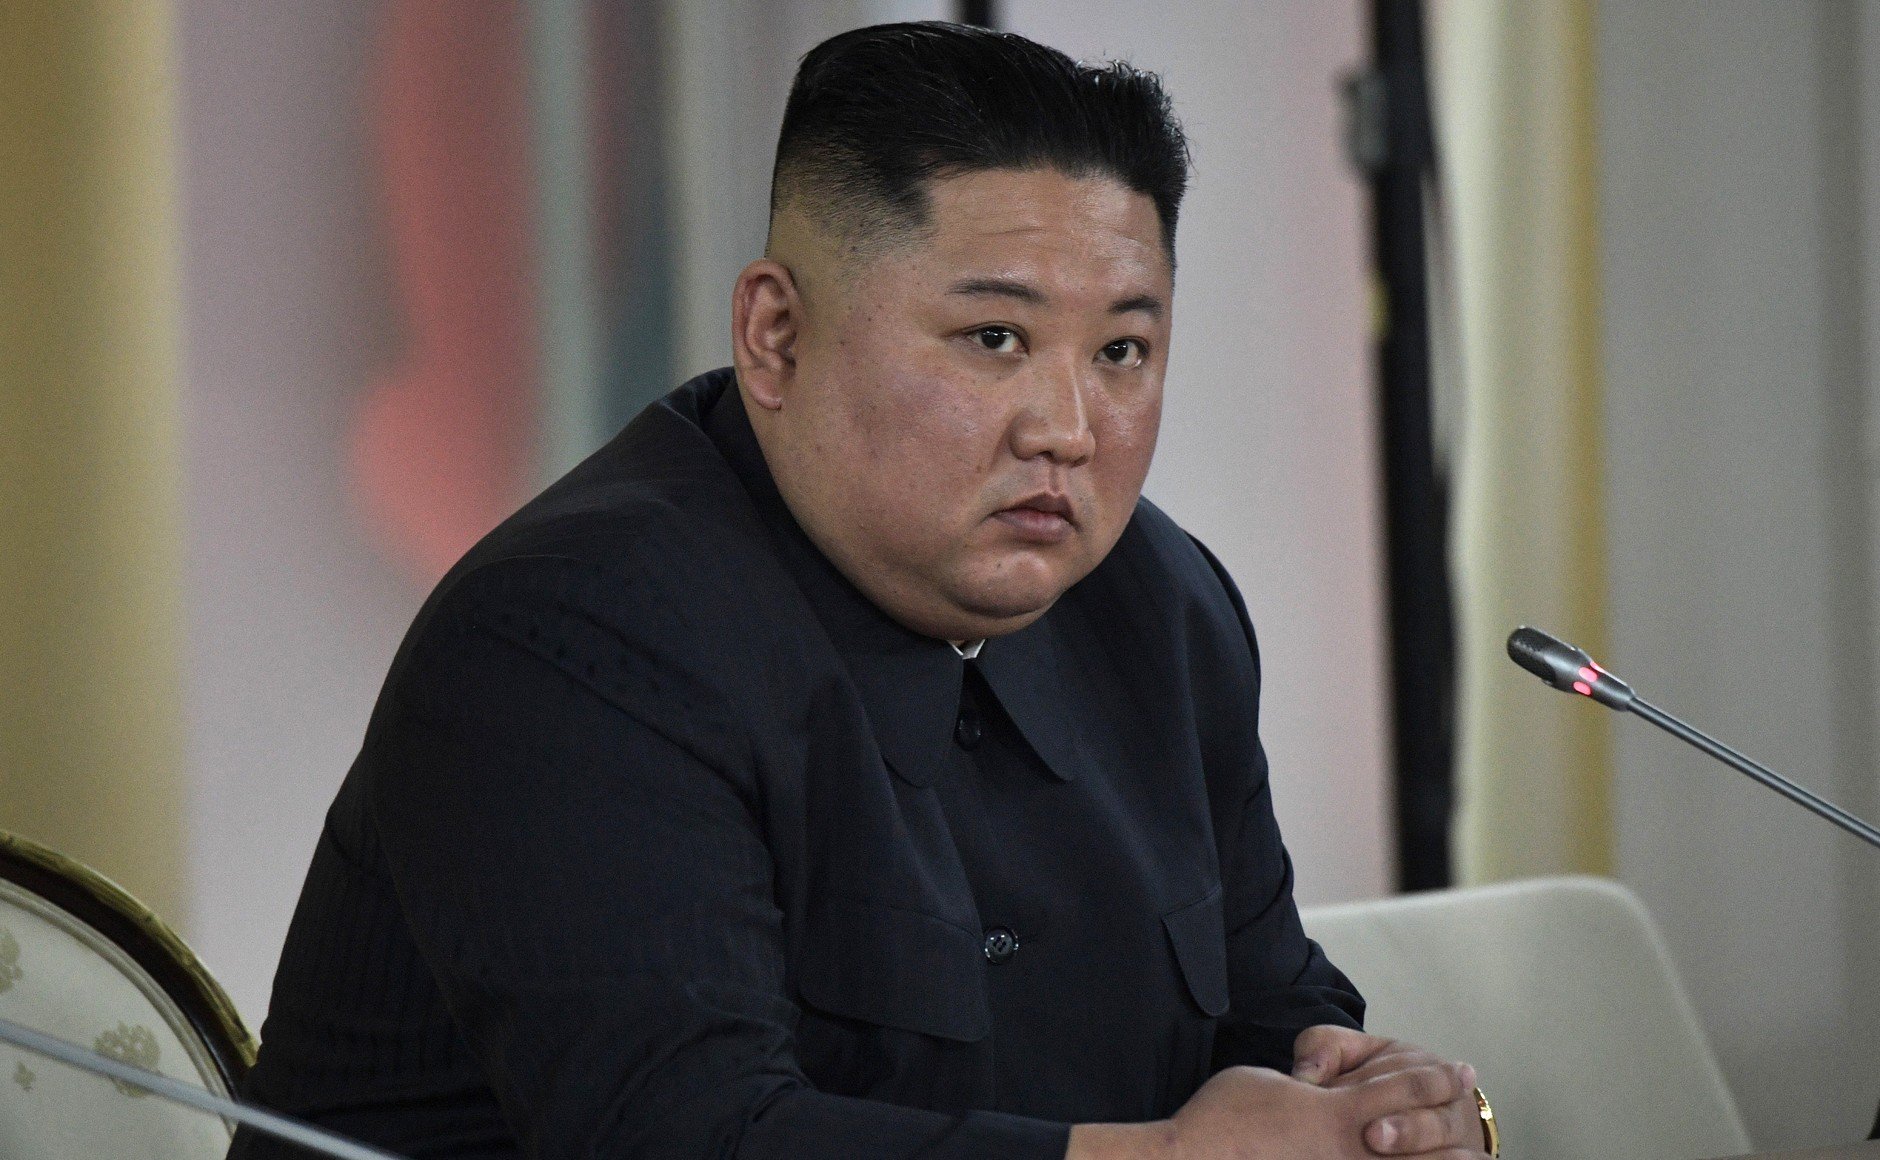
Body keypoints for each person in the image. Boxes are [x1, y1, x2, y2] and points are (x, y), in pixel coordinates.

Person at [232, 21, 1493, 1160]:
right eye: (994, 339)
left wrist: (1364, 1104)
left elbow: (1270, 1003)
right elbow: (688, 1135)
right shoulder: (566, 639)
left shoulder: (1163, 607)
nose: (1066, 427)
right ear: (774, 335)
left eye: (1122, 349)